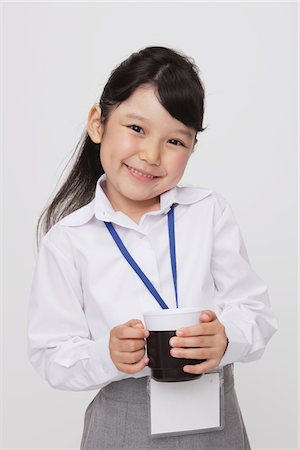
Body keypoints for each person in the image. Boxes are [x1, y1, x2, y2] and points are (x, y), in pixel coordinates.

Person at [27, 46, 278, 450]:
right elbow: (50, 355)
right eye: (137, 129)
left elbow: (257, 313)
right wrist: (106, 355)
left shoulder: (208, 213)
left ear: (193, 147)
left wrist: (226, 338)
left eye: (176, 140)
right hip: (122, 424)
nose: (151, 155)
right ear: (98, 123)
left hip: (216, 421)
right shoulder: (69, 240)